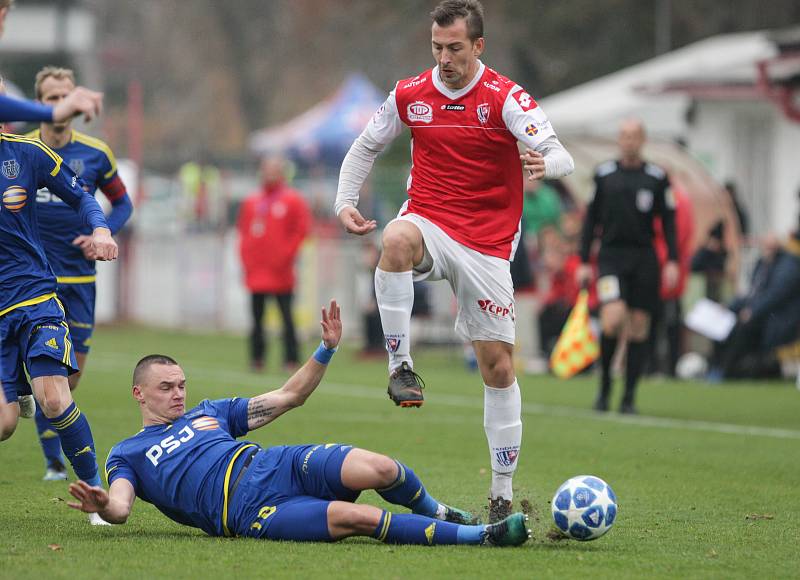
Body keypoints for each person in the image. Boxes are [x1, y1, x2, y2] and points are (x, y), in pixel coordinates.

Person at [334, 0, 574, 521]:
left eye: (455, 48)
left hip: (487, 244)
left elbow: (560, 152)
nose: (444, 58)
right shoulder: (410, 93)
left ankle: (502, 496)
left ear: (478, 46)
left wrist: (545, 163)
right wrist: (345, 202)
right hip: (429, 220)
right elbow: (364, 147)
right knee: (394, 241)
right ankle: (401, 368)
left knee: (499, 368)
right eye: (437, 47)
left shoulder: (505, 97)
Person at [67, 301, 531, 547]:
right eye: (167, 387)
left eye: (181, 384)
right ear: (139, 393)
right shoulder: (127, 453)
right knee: (359, 518)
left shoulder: (208, 411)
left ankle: (441, 513)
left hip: (278, 465)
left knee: (381, 468)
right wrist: (103, 503)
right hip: (246, 511)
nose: (178, 393)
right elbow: (122, 510)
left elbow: (289, 396)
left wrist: (325, 349)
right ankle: (481, 537)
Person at [0, 114, 118, 526]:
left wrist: (101, 229)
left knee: (55, 399)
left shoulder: (26, 154)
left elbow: (83, 196)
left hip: (35, 297)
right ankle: (17, 386)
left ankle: (96, 497)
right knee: (4, 424)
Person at [23, 66, 133, 481]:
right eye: (51, 97)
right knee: (46, 373)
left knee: (71, 378)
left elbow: (122, 204)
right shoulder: (21, 151)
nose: (59, 104)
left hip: (80, 279)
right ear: (39, 103)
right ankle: (53, 459)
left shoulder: (95, 153)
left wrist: (100, 232)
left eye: (65, 95)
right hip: (31, 281)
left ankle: (45, 421)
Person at [577, 118, 678, 414]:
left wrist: (672, 259)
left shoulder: (657, 177)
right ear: (618, 141)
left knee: (638, 328)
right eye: (624, 136)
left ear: (642, 140)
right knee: (612, 318)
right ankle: (605, 384)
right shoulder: (604, 175)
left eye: (634, 136)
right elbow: (589, 221)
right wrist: (584, 260)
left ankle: (629, 397)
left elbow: (669, 222)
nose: (629, 141)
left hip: (644, 258)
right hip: (610, 257)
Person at [237, 155, 311, 372]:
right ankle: (257, 358)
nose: (269, 174)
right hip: (256, 271)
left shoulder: (292, 200)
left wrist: (285, 255)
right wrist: (246, 259)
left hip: (281, 272)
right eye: (266, 169)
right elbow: (244, 232)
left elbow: (301, 231)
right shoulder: (252, 201)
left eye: (273, 170)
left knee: (287, 318)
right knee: (256, 319)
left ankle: (291, 359)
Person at [708, 231, 800, 381]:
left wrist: (752, 312)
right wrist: (729, 307)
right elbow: (752, 294)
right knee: (724, 323)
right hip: (760, 316)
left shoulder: (789, 266)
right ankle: (717, 367)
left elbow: (774, 296)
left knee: (741, 328)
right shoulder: (762, 264)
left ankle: (727, 372)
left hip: (778, 320)